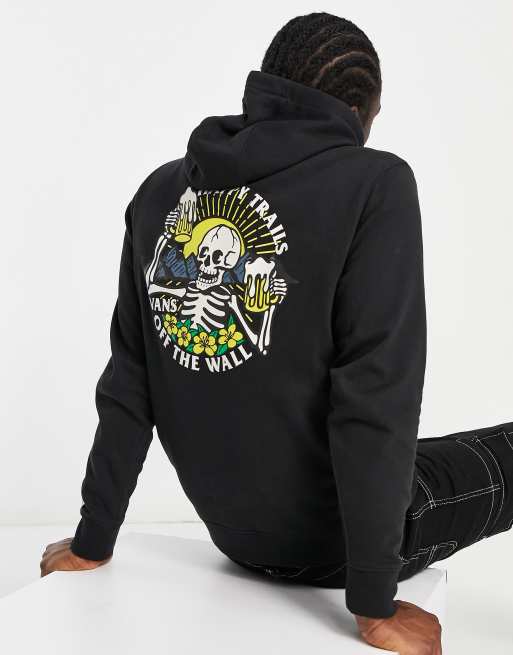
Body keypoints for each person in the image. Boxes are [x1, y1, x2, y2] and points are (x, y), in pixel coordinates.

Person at [40, 12, 512, 654]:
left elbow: (129, 383)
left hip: (234, 537)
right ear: (358, 112)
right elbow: (375, 400)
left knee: (442, 452)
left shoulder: (159, 193)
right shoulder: (375, 184)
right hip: (335, 547)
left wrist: (93, 538)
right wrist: (374, 604)